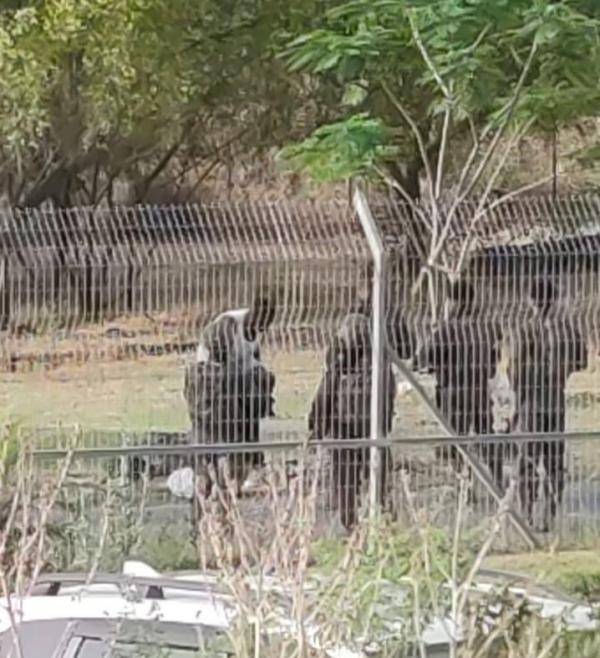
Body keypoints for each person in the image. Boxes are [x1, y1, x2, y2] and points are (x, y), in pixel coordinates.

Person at [507, 280, 588, 528]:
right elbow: (582, 361)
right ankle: (550, 515)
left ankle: (528, 514)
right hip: (555, 400)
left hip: (530, 400)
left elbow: (514, 367)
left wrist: (518, 393)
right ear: (554, 299)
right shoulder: (566, 329)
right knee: (553, 459)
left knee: (527, 459)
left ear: (530, 300)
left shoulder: (524, 329)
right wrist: (562, 371)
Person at [308, 312, 396, 530]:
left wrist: (316, 426)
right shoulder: (380, 363)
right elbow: (389, 396)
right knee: (379, 480)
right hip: (373, 429)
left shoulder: (339, 363)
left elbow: (325, 395)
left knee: (345, 484)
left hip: (343, 430)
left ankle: (351, 526)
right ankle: (383, 522)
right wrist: (385, 424)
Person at [416, 280, 503, 486]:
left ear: (455, 302)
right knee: (486, 439)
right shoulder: (485, 328)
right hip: (479, 393)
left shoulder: (448, 330)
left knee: (455, 443)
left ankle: (463, 485)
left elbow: (423, 358)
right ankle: (497, 483)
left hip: (453, 396)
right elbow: (493, 365)